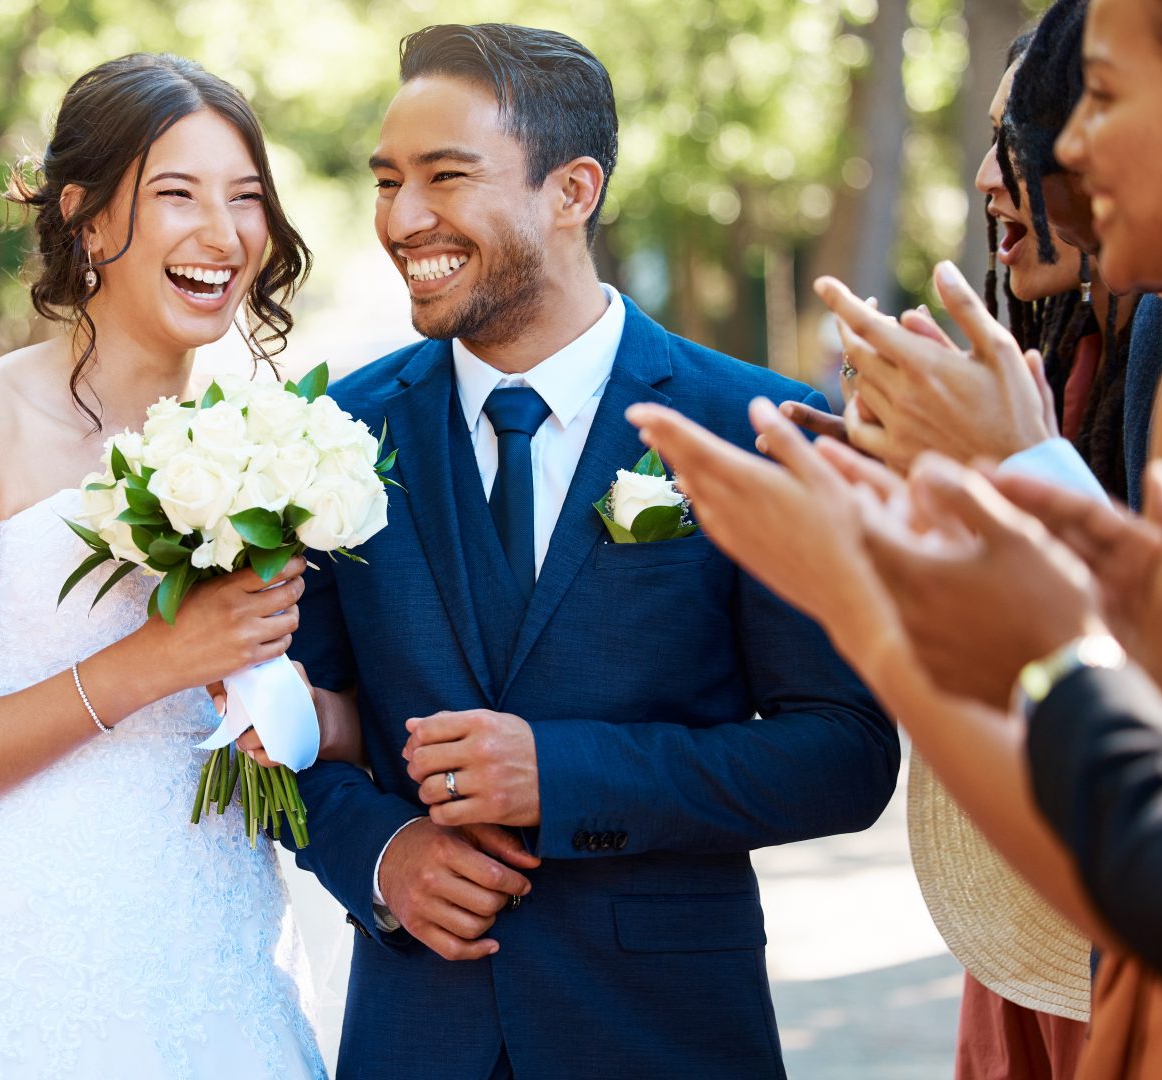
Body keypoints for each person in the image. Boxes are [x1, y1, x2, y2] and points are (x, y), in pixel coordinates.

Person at [285, 24, 896, 1078]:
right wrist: (380, 855)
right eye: (387, 182)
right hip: (418, 1032)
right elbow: (292, 728)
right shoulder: (334, 431)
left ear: (572, 191)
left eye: (445, 177)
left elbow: (844, 754)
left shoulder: (760, 425)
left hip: (665, 1031)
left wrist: (563, 774)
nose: (402, 219)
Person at [0, 53, 326, 1078]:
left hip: (221, 954)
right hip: (21, 970)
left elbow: (313, 706)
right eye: (178, 195)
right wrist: (150, 663)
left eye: (246, 199)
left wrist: (286, 709)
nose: (225, 234)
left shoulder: (272, 446)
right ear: (87, 217)